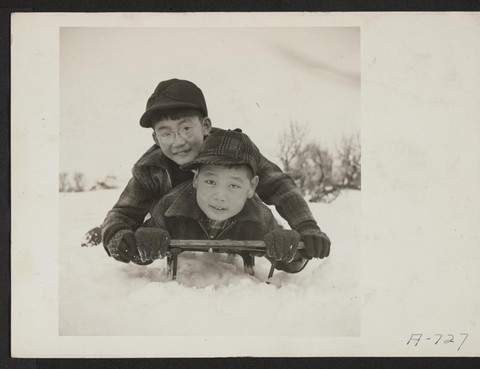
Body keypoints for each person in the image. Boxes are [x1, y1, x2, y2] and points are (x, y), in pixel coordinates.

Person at [101, 78, 330, 264]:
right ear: (155, 138)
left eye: (186, 128)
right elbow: (122, 213)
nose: (178, 141)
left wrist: (307, 228)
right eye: (166, 133)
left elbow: (280, 186)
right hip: (170, 228)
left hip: (231, 226)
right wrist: (118, 235)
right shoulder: (150, 168)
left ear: (206, 126)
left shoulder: (236, 153)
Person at [121, 129, 309, 274]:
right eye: (210, 182)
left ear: (251, 187)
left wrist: (291, 249)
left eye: (233, 186)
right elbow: (141, 254)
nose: (220, 196)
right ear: (195, 179)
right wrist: (144, 240)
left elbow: (290, 263)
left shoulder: (259, 217)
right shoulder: (171, 208)